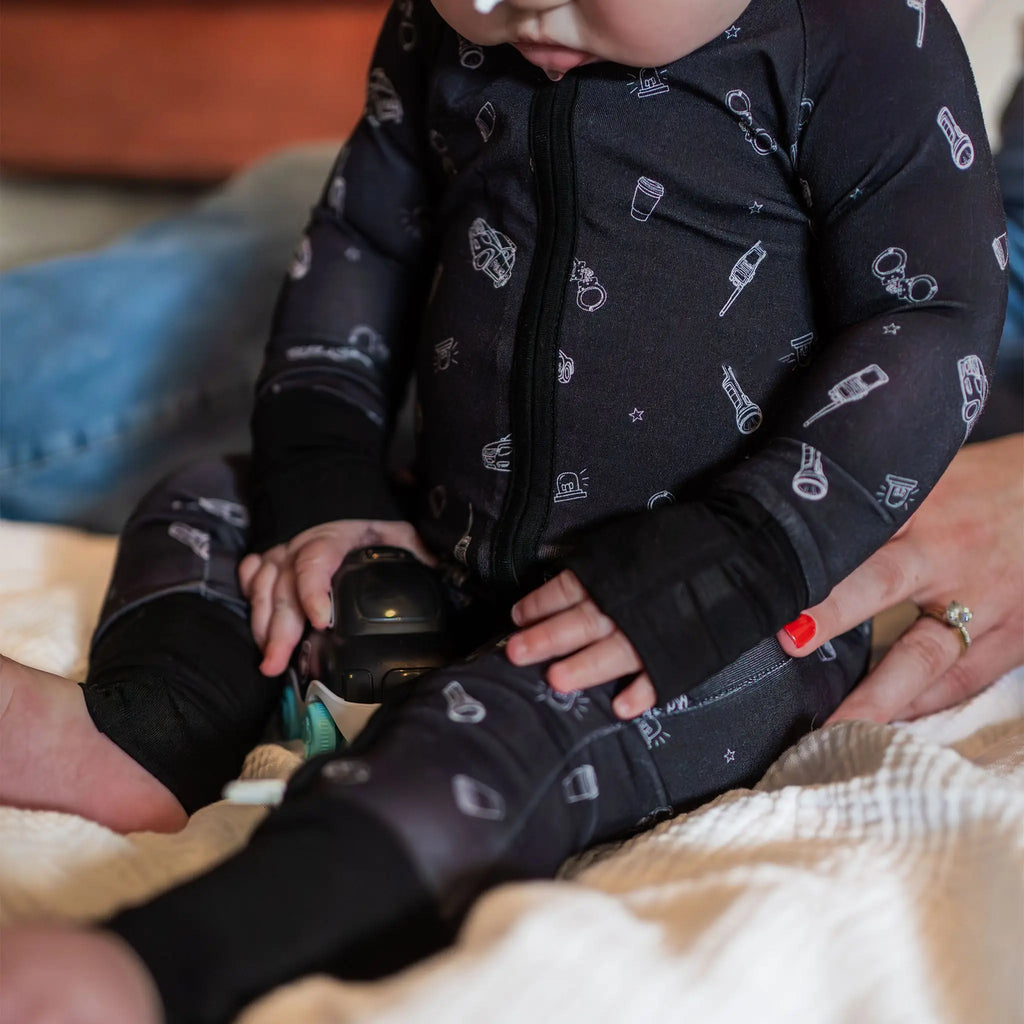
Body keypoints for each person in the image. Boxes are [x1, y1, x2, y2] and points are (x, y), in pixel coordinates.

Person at [0, 0, 1011, 1021]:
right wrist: (328, 489)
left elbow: (929, 317)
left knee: (482, 741)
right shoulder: (450, 29)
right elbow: (361, 242)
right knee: (211, 492)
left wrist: (744, 555)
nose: (505, 5)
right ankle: (152, 726)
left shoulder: (857, 31)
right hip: (444, 545)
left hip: (692, 610)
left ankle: (164, 964)